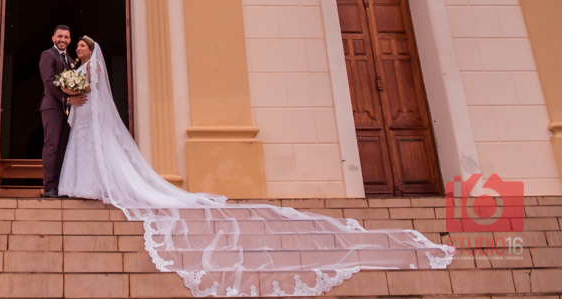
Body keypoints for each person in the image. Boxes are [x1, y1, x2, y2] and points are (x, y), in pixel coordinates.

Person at [58, 36, 454, 297]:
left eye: (83, 45)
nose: (79, 49)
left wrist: (76, 90)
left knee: (100, 151)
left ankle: (98, 185)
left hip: (91, 113)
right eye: (77, 46)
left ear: (92, 50)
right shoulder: (79, 66)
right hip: (85, 114)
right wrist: (72, 91)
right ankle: (88, 185)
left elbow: (94, 91)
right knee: (90, 149)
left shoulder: (92, 68)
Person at [37, 25, 89, 199]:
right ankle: (49, 187)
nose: (63, 39)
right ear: (53, 38)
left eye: (66, 37)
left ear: (70, 40)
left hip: (67, 110)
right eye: (59, 36)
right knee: (51, 146)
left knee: (62, 147)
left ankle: (60, 185)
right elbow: (49, 81)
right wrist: (67, 99)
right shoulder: (47, 55)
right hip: (52, 107)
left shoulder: (70, 60)